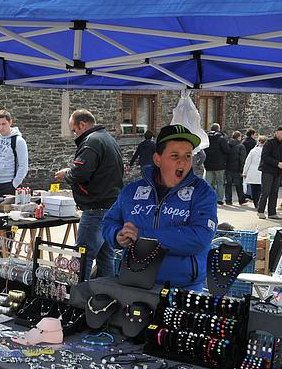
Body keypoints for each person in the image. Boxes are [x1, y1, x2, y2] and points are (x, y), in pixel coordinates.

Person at [102, 124, 218, 289]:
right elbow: (109, 222)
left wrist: (143, 236)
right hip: (134, 282)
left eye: (187, 156)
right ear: (158, 159)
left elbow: (199, 238)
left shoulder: (203, 193)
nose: (182, 162)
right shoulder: (132, 190)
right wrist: (117, 235)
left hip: (182, 287)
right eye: (174, 155)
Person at [54, 110, 124, 279]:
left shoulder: (91, 142)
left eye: (74, 130)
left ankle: (80, 297)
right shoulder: (108, 139)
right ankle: (106, 297)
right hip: (111, 206)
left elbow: (81, 173)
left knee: (82, 256)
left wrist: (67, 174)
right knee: (105, 257)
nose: (74, 134)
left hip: (96, 208)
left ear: (83, 125)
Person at [0, 109, 29, 197]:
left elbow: (23, 166)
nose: (1, 127)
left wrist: (14, 185)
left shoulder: (18, 141)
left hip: (8, 184)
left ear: (10, 122)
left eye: (4, 124)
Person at [257, 125, 282, 219]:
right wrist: (277, 163)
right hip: (268, 170)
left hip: (278, 172)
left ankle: (272, 213)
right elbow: (265, 156)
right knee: (265, 191)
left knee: (274, 192)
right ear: (277, 133)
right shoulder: (269, 143)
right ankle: (260, 211)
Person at [203, 123, 230, 205]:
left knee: (208, 182)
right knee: (220, 182)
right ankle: (219, 199)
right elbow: (227, 150)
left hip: (208, 164)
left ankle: (207, 198)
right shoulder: (221, 138)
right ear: (218, 128)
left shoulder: (206, 138)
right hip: (219, 164)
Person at [224, 130, 248, 205]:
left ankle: (228, 200)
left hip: (228, 167)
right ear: (238, 137)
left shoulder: (228, 144)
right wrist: (242, 170)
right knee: (238, 185)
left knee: (228, 184)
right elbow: (242, 159)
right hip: (237, 168)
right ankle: (241, 199)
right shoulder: (241, 146)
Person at [242, 134, 266, 208]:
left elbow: (247, 162)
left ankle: (256, 203)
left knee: (254, 189)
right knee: (260, 189)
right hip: (261, 172)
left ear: (258, 142)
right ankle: (259, 203)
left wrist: (244, 172)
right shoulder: (266, 152)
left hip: (252, 172)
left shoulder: (253, 151)